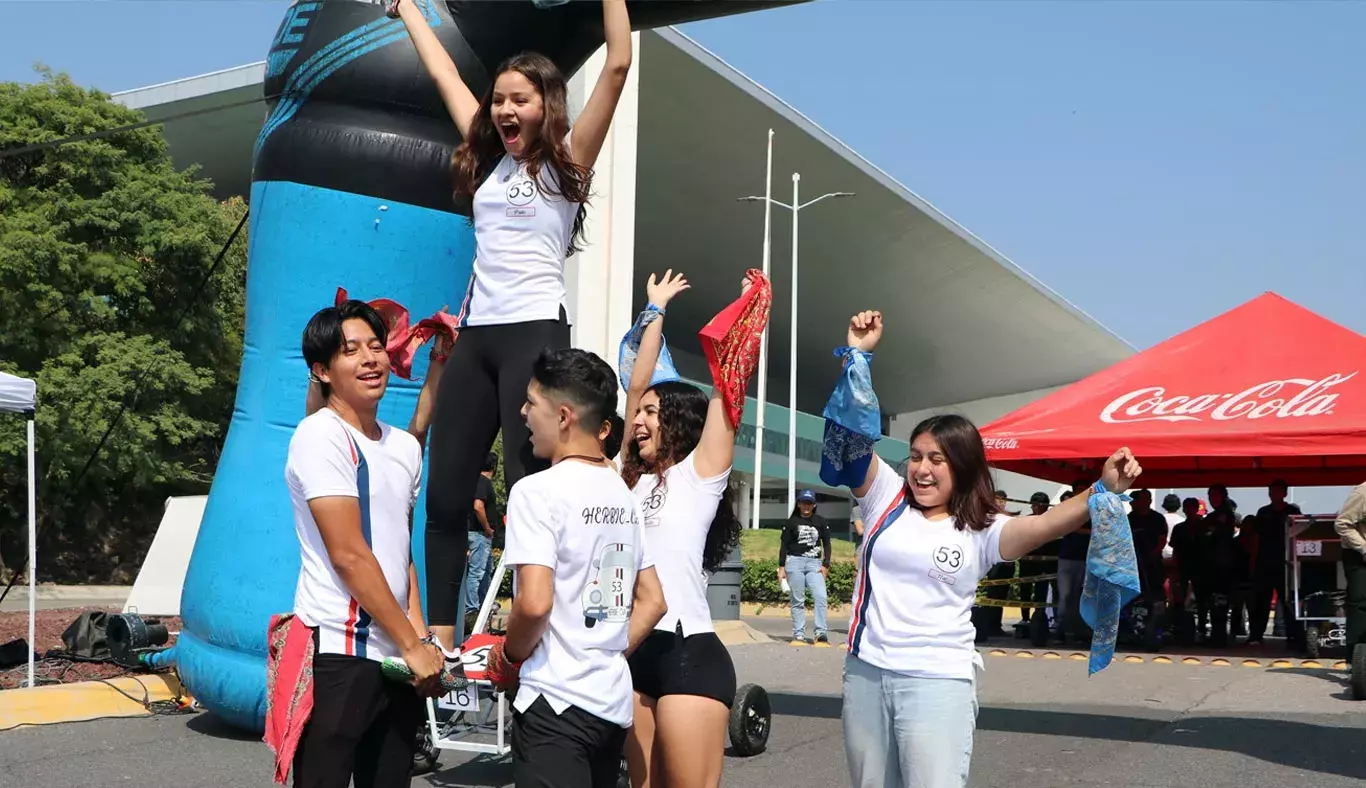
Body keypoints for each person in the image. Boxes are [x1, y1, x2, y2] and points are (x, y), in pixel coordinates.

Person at [392, 0, 635, 651]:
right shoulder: (487, 160)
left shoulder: (565, 166)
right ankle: (441, 646)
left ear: (546, 106)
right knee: (443, 498)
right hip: (477, 339)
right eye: (498, 100)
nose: (504, 111)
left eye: (519, 100)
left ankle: (544, 637)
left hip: (534, 336)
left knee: (531, 495)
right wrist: (407, 8)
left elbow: (616, 67)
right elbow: (445, 76)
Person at [823, 310, 1142, 788]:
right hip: (866, 672)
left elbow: (1047, 523)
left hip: (936, 682)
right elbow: (849, 440)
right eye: (915, 457)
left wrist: (1099, 490)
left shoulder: (982, 527)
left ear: (965, 467)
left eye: (937, 460)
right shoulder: (885, 495)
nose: (922, 470)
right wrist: (859, 358)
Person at [278, 300, 445, 788]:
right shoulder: (319, 436)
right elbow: (348, 554)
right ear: (322, 370)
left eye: (376, 346)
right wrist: (414, 644)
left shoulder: (405, 447)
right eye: (351, 351)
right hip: (339, 652)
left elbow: (400, 553)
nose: (371, 359)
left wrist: (422, 644)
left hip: (397, 659)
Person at [492, 347, 667, 788]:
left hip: (554, 705)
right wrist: (602, 648)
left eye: (532, 403)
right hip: (609, 704)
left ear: (564, 416)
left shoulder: (537, 492)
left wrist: (507, 658)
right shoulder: (623, 496)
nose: (523, 412)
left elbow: (533, 605)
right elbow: (654, 600)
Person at [618, 271, 765, 788]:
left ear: (679, 420)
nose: (638, 420)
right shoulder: (627, 481)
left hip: (689, 654)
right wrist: (654, 310)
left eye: (652, 413)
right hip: (634, 651)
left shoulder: (699, 477)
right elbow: (635, 384)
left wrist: (749, 314)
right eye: (639, 413)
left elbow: (729, 395)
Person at [1250, 480, 1302, 646]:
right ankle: (1256, 636)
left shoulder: (1292, 511)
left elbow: (1298, 535)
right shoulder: (1263, 512)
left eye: (1277, 491)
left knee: (1288, 600)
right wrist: (1253, 559)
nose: (1274, 494)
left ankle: (1293, 636)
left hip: (1286, 562)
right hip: (1265, 561)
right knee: (1261, 601)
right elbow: (1256, 538)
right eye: (1271, 491)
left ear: (1285, 493)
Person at [779, 490, 833, 645]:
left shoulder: (821, 521)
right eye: (803, 503)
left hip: (814, 563)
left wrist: (826, 564)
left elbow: (827, 544)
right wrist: (782, 567)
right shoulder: (791, 522)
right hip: (794, 562)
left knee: (821, 596)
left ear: (814, 504)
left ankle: (821, 633)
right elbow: (784, 546)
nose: (806, 506)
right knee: (797, 599)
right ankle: (799, 634)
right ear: (799, 504)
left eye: (809, 503)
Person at [462, 453, 501, 631]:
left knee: (486, 572)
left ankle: (484, 604)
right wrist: (486, 527)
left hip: (481, 535)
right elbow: (478, 505)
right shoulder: (482, 481)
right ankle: (472, 610)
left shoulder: (475, 481)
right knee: (477, 573)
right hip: (479, 534)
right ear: (494, 466)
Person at [1055, 480, 1093, 643]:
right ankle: (1061, 629)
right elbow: (1068, 527)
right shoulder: (1068, 507)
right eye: (1079, 490)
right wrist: (1090, 531)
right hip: (1067, 558)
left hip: (1086, 559)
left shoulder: (1093, 508)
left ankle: (1080, 630)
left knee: (1082, 597)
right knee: (1065, 596)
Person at [1333, 482, 1366, 662]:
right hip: (1358, 555)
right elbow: (1342, 523)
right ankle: (1354, 659)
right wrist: (1363, 547)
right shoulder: (1363, 493)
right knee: (1361, 603)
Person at [1017, 492, 1055, 628]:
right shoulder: (1025, 521)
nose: (1036, 507)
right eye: (1034, 505)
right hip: (1027, 561)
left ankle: (1039, 617)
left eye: (1040, 505)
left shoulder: (1052, 520)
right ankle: (1025, 618)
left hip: (1045, 562)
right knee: (1025, 589)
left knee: (1041, 591)